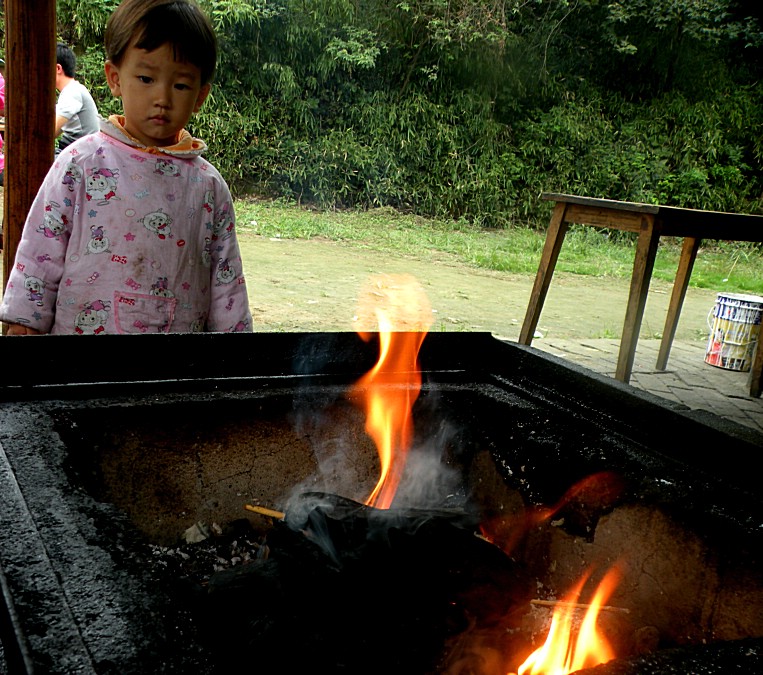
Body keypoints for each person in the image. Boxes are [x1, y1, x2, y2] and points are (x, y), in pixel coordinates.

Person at [0, 0, 252, 335]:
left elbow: (226, 282)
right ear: (115, 78)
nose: (162, 97)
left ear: (200, 95)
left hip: (174, 377)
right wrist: (23, 326)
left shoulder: (208, 186)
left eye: (180, 85)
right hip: (77, 373)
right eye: (146, 78)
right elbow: (40, 250)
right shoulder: (81, 164)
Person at [55, 43, 100, 153]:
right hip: (75, 150)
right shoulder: (73, 90)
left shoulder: (72, 92)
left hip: (80, 155)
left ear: (58, 68)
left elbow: (47, 132)